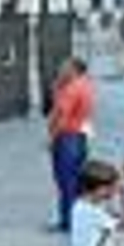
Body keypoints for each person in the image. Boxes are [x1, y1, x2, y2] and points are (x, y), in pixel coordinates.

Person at [47, 57, 95, 232]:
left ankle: (68, 221)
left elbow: (61, 114)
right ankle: (76, 219)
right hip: (79, 136)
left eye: (64, 67)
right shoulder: (86, 85)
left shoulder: (72, 89)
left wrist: (52, 138)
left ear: (74, 69)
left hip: (67, 136)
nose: (60, 69)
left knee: (66, 181)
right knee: (75, 180)